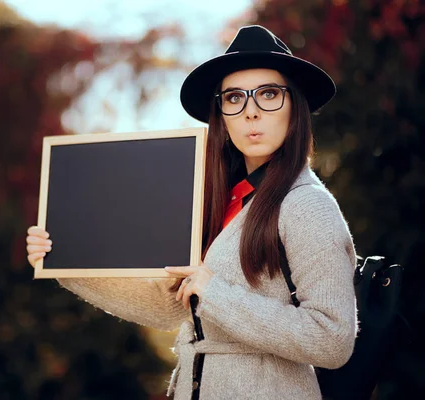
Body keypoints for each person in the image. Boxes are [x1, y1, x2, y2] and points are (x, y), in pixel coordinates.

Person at [26, 25, 357, 400]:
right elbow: (170, 309)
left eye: (268, 94)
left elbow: (333, 340)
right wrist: (63, 262)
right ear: (221, 114)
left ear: (295, 106)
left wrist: (215, 292)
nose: (251, 112)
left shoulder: (307, 205)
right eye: (234, 98)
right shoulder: (226, 199)